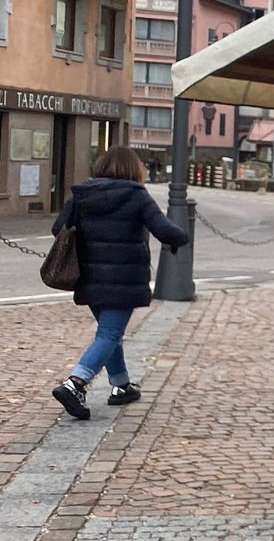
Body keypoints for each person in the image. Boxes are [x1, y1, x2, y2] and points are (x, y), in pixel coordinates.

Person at [49, 145, 191, 421]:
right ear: (134, 169)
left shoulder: (83, 193)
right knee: (110, 334)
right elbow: (165, 230)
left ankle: (121, 385)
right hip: (123, 279)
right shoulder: (136, 195)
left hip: (89, 276)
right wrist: (181, 238)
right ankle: (75, 383)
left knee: (109, 332)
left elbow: (58, 229)